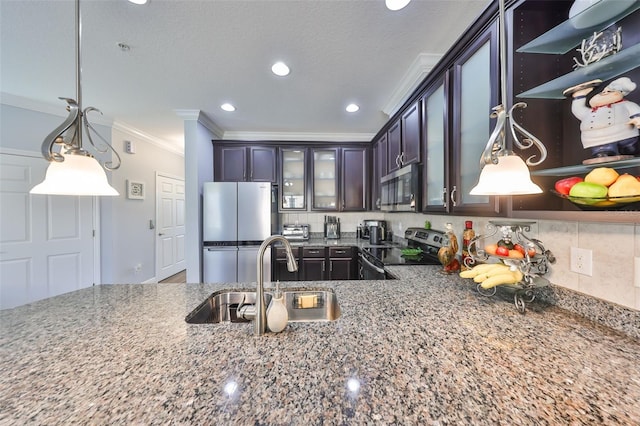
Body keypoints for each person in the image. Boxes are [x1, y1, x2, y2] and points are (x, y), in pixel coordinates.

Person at [568, 77, 640, 159]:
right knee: (603, 152)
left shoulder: (624, 104)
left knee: (630, 147)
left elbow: (635, 111)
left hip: (625, 134)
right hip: (598, 140)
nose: (605, 93)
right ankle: (604, 153)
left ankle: (630, 148)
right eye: (603, 92)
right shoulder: (591, 111)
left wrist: (637, 119)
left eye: (609, 91)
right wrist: (579, 96)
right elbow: (578, 110)